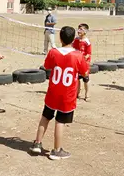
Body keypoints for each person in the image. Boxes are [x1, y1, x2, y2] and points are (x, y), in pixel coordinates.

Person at [29, 26, 89, 160]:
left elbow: (47, 66)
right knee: (60, 121)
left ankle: (37, 144)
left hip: (53, 93)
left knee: (45, 117)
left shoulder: (53, 52)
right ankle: (57, 150)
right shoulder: (78, 55)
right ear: (73, 39)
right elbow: (85, 72)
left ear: (60, 38)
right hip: (67, 95)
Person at [73, 23, 92, 101]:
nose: (79, 31)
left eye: (81, 29)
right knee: (77, 79)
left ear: (85, 31)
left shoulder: (87, 42)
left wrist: (82, 59)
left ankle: (87, 94)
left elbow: (88, 54)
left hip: (84, 64)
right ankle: (77, 93)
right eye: (78, 29)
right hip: (76, 63)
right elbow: (73, 49)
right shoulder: (76, 40)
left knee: (86, 79)